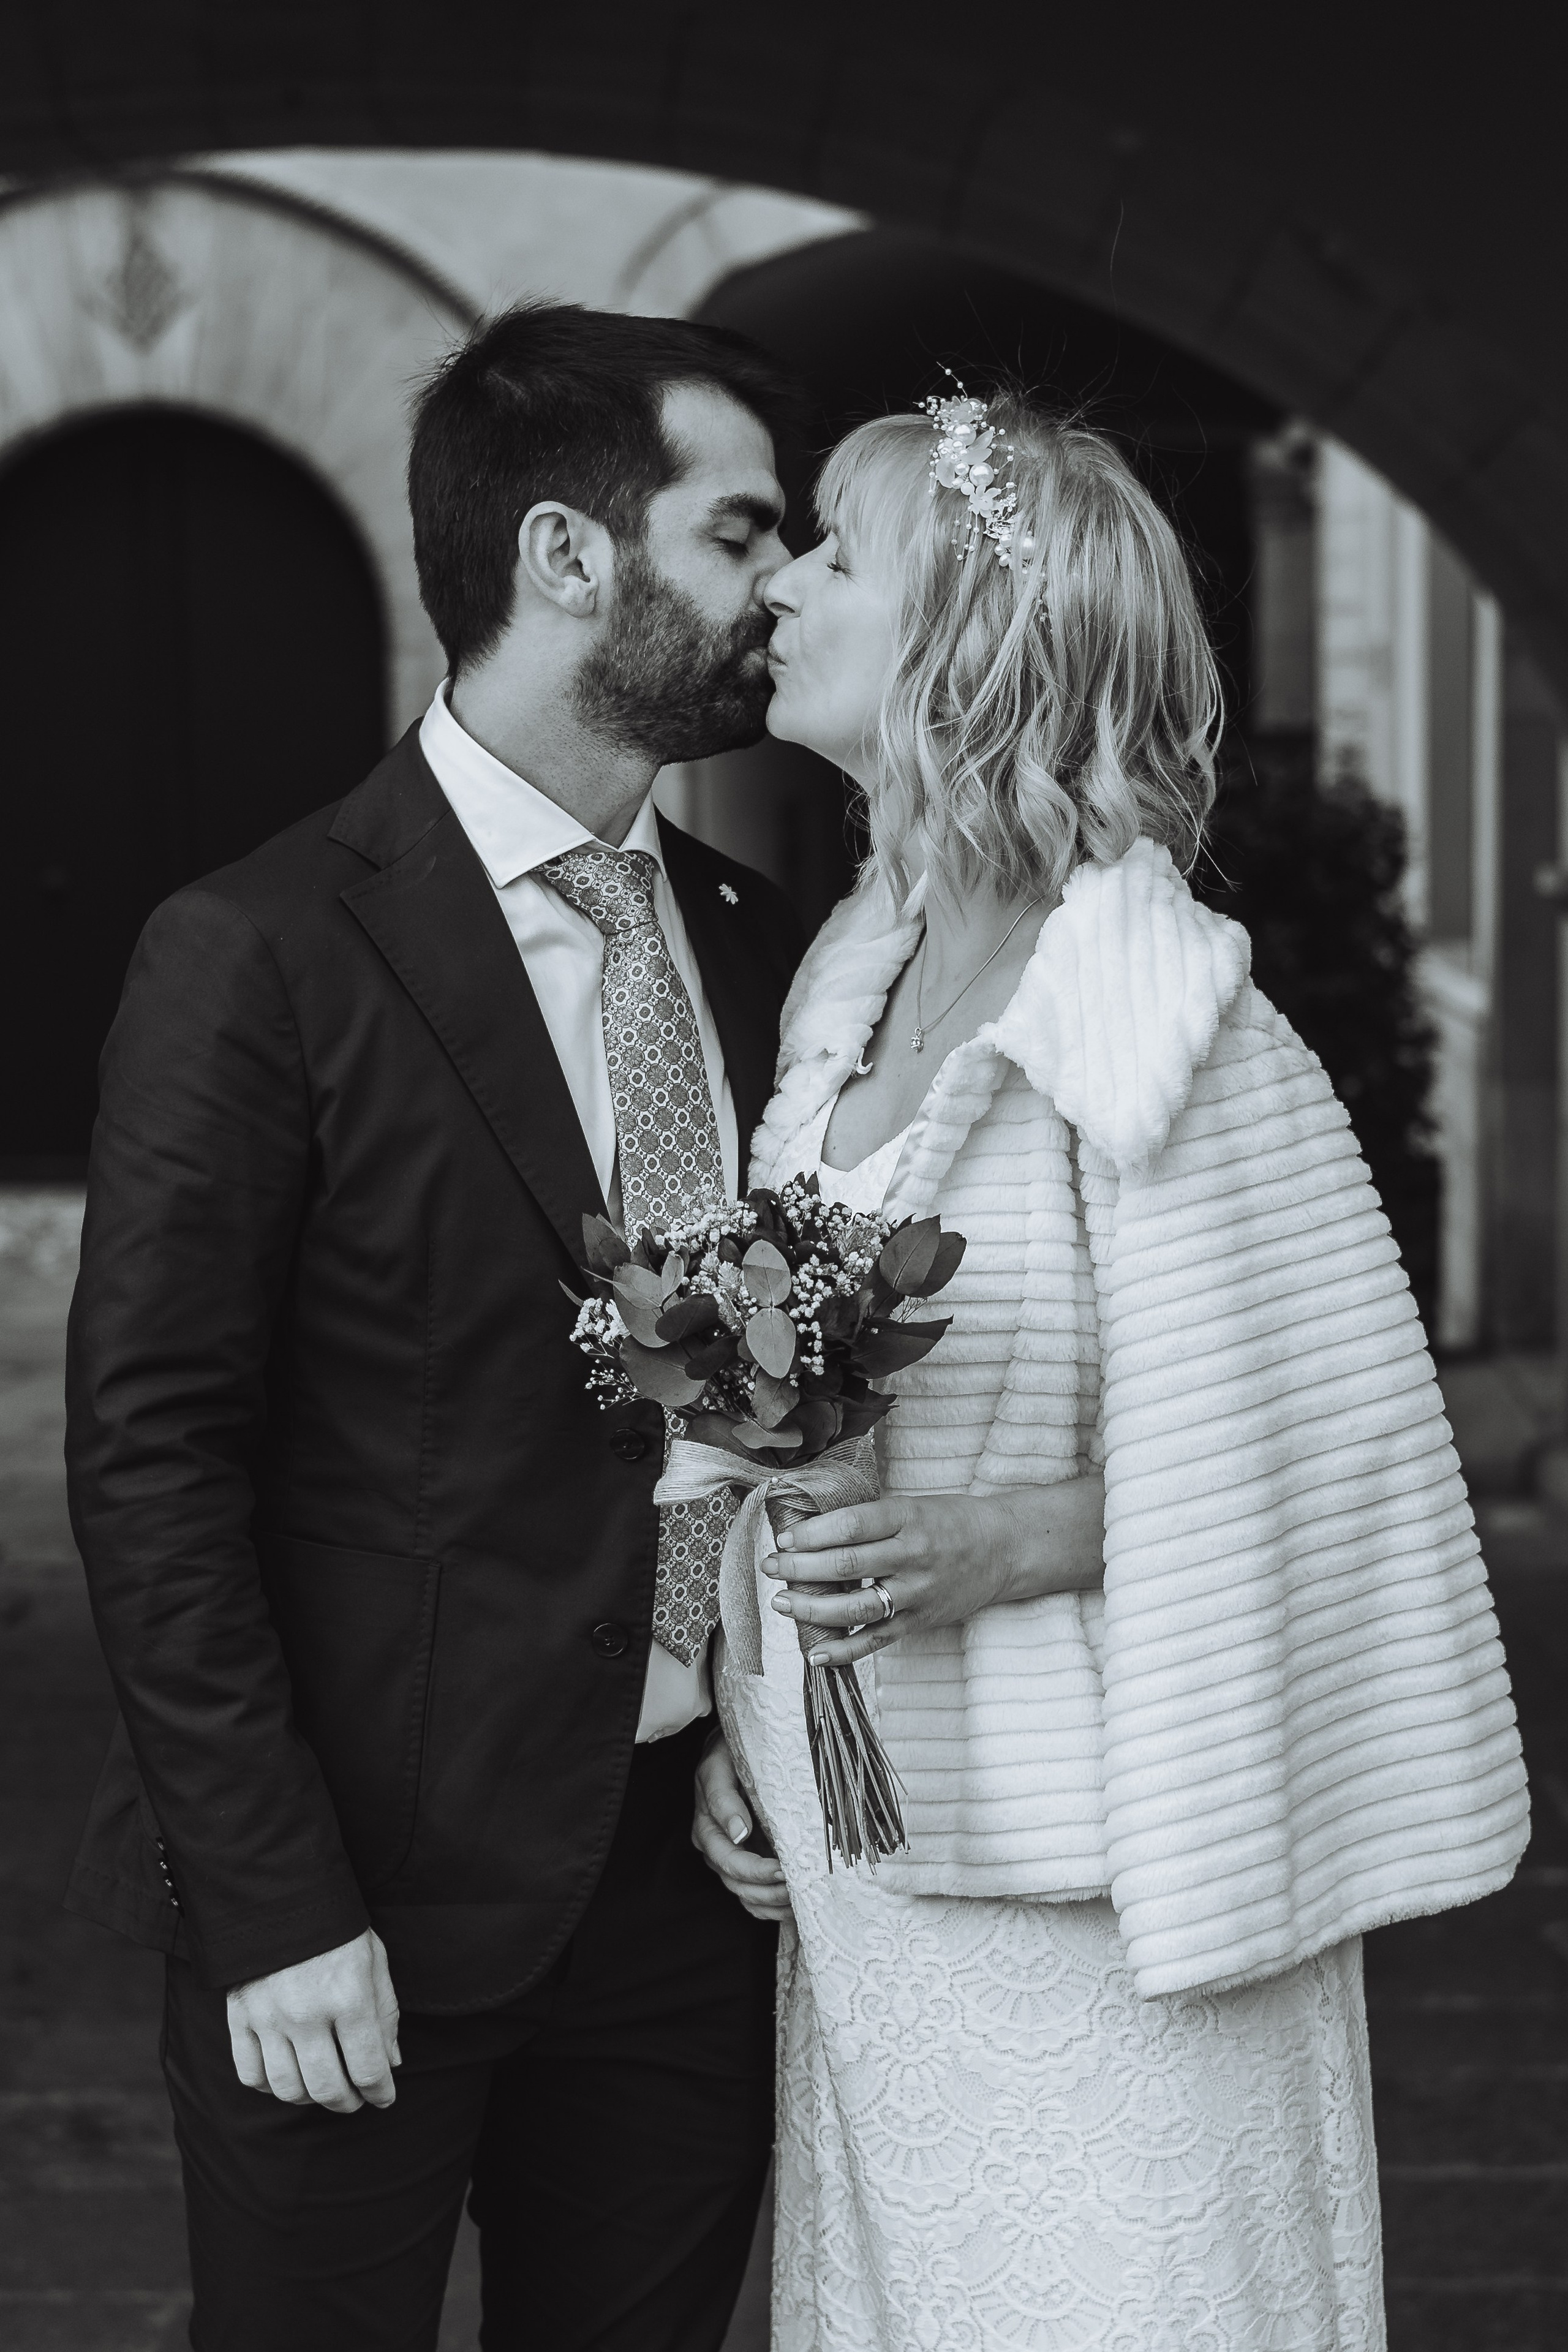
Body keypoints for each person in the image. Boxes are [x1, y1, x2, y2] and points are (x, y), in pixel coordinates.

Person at [692, 388, 1530, 2348]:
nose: (787, 584)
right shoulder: (846, 1000)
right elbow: (774, 1437)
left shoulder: (1180, 1037)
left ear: (972, 640)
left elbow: (1330, 1466)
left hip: (1100, 1909)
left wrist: (1000, 1547)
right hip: (878, 1898)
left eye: (839, 549)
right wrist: (750, 1702)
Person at [64, 301, 806, 2351]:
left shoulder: (777, 960)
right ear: (572, 555)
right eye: (743, 534)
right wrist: (273, 1904)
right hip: (359, 1911)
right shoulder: (258, 951)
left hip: (691, 1905)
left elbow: (776, 1407)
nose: (788, 588)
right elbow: (154, 1457)